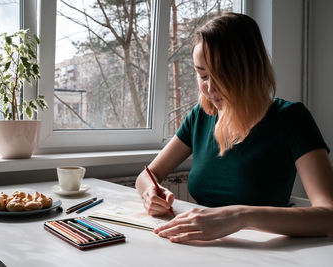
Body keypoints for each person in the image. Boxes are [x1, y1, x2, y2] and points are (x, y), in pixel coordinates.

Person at [135, 12, 333, 243]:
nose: (209, 89)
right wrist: (151, 191)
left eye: (221, 76)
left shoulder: (291, 119)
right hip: (199, 249)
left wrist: (239, 216)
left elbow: (328, 216)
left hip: (264, 254)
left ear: (248, 70)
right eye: (202, 75)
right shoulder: (200, 116)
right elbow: (147, 176)